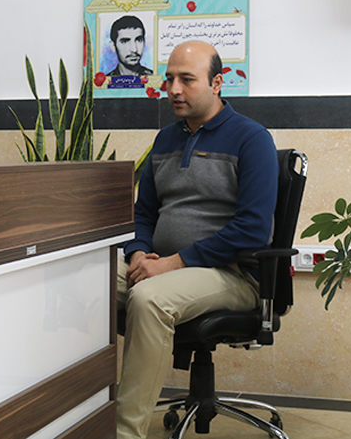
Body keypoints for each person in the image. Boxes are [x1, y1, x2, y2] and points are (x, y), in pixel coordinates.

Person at [116, 40, 278, 439]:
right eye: (170, 79)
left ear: (217, 83)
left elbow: (253, 229)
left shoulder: (252, 139)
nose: (174, 89)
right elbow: (143, 213)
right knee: (81, 279)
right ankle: (75, 414)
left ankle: (124, 433)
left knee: (149, 298)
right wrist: (138, 254)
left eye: (187, 79)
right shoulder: (164, 140)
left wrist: (171, 264)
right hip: (161, 264)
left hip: (233, 274)